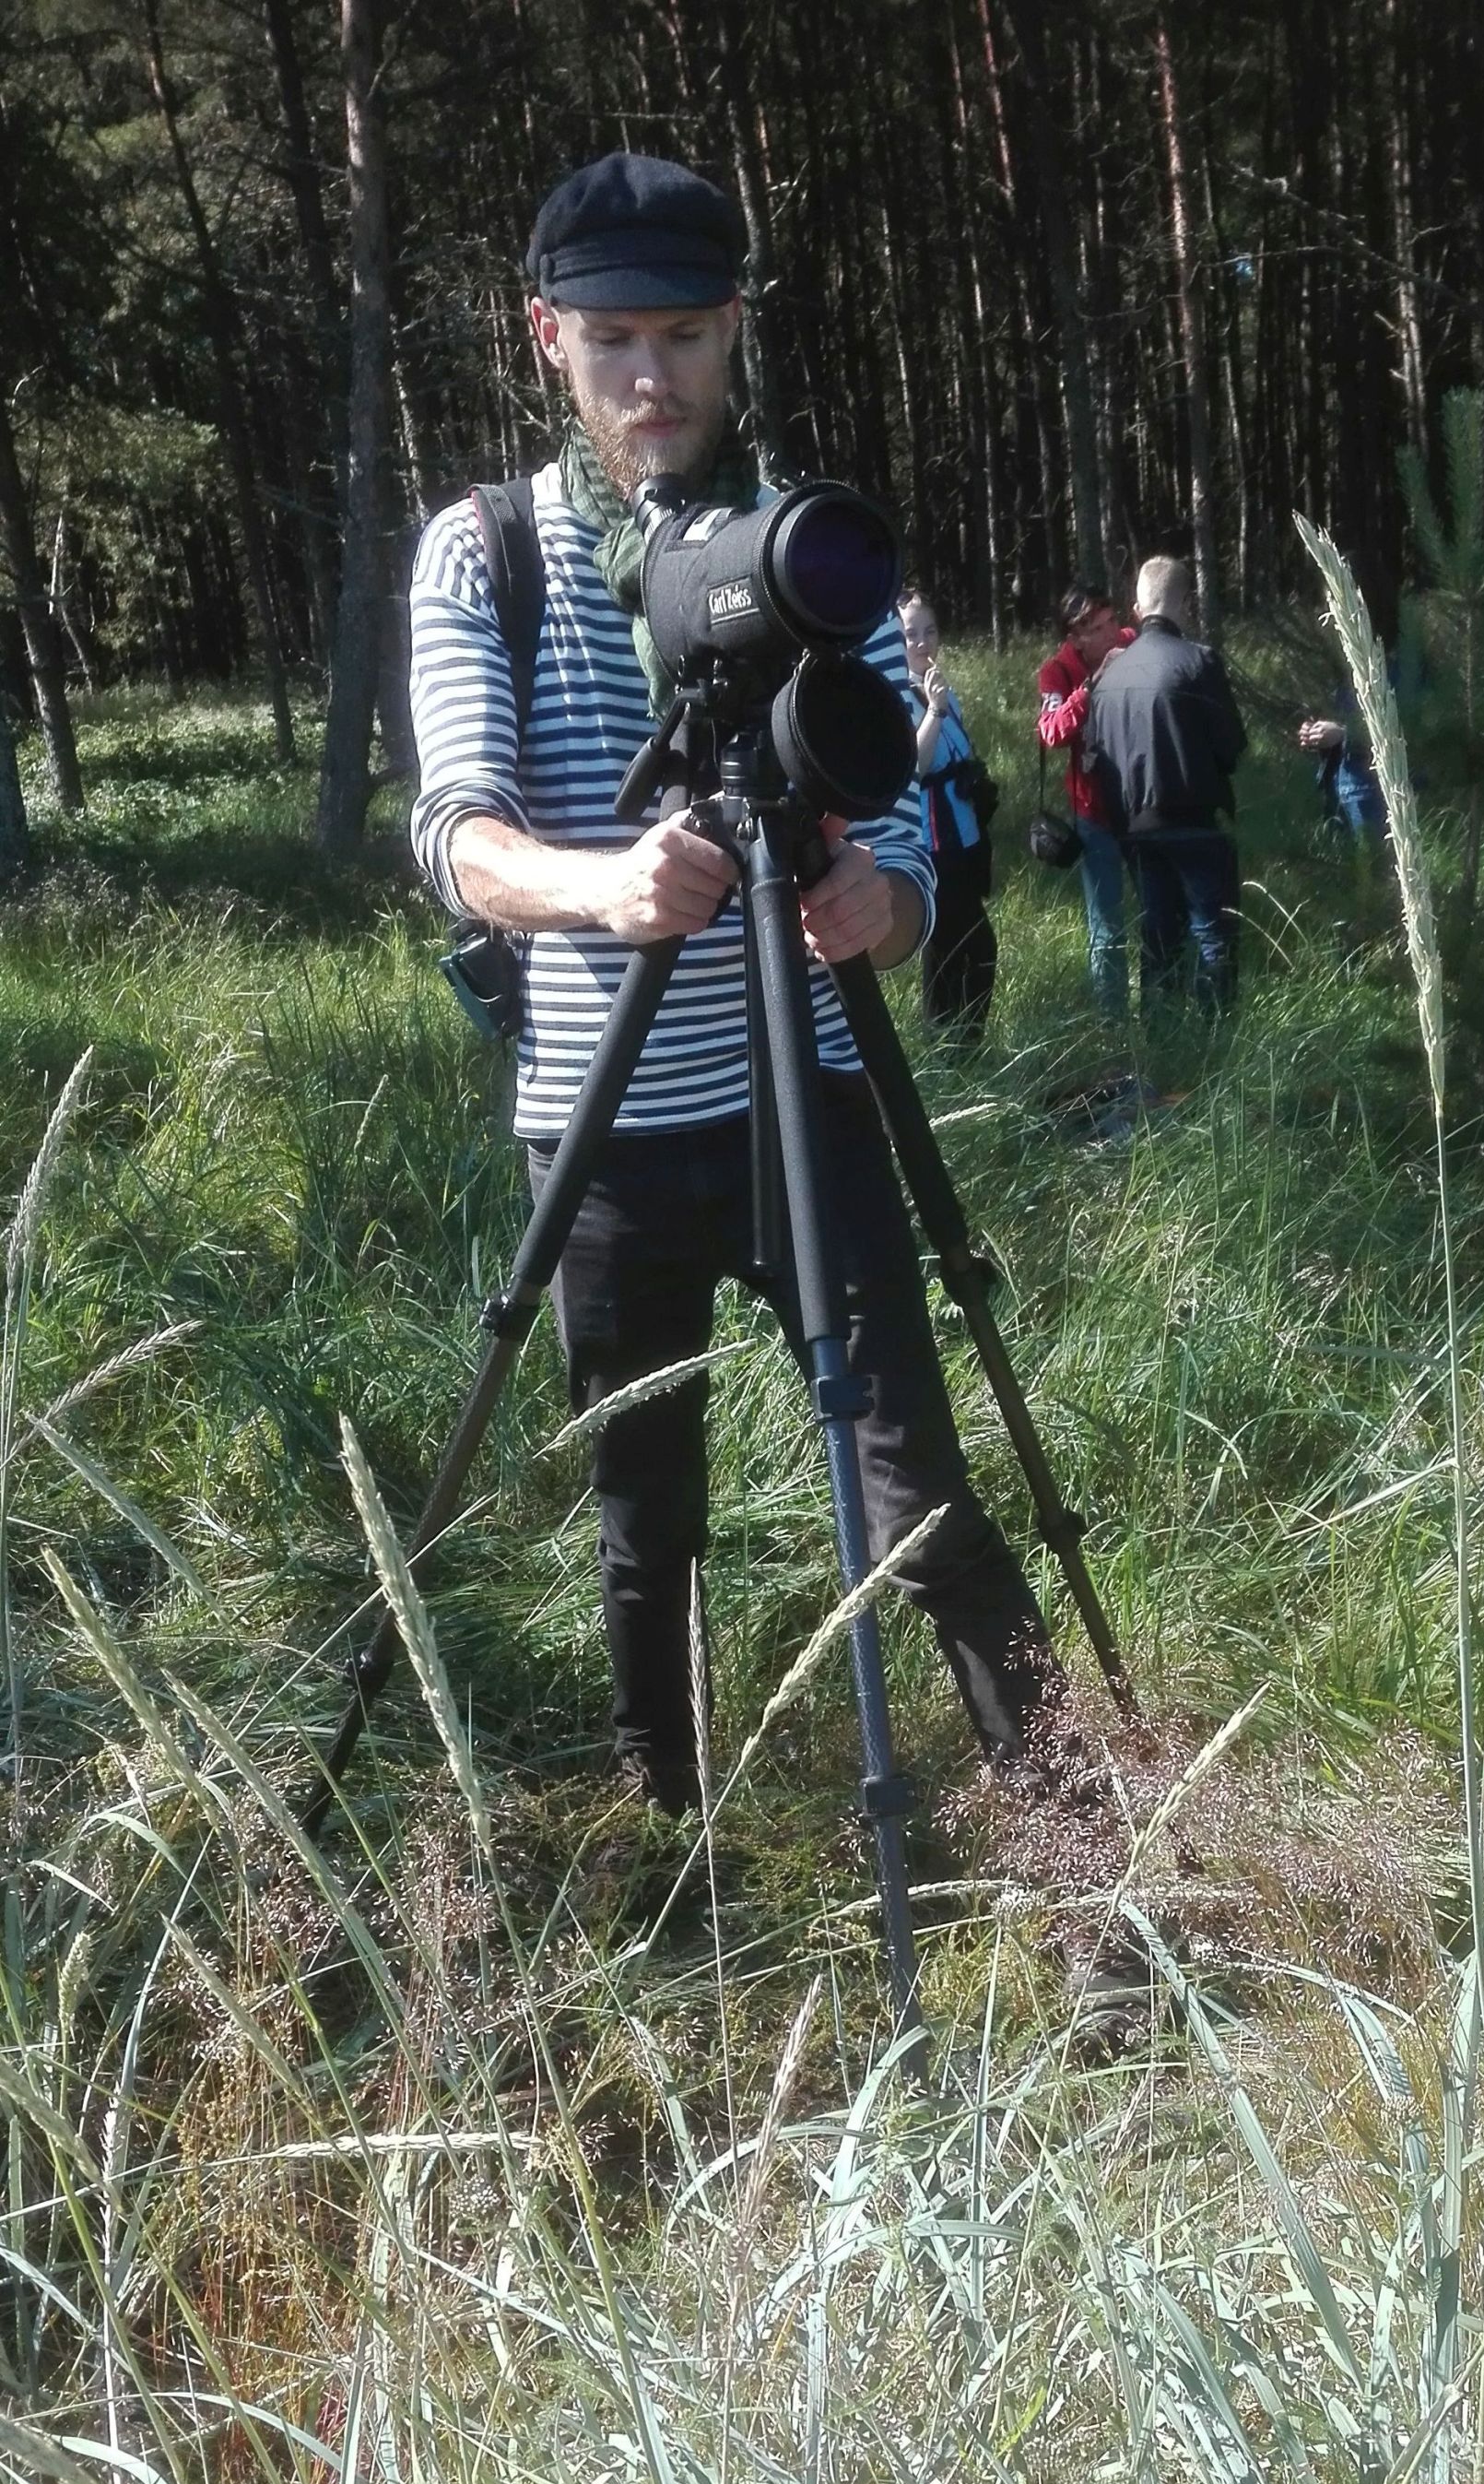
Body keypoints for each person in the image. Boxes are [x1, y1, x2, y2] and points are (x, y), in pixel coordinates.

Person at [407, 150, 1062, 1819]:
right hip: (603, 1133)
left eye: (686, 337)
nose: (651, 378)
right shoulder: (484, 554)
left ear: (734, 331)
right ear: (544, 335)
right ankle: (674, 1852)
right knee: (649, 1521)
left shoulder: (808, 551)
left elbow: (905, 832)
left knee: (921, 1488)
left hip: (806, 1106)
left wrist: (885, 902)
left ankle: (1082, 1839)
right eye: (615, 338)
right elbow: (460, 835)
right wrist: (603, 888)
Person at [1085, 556, 1247, 1017]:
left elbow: (1095, 759)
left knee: (1158, 937)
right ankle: (1216, 1044)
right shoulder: (1199, 661)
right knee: (1213, 936)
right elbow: (1231, 746)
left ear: (1137, 606)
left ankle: (1162, 1040)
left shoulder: (1108, 676)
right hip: (1195, 823)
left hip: (1135, 831)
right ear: (1186, 604)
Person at [899, 591, 996, 1047]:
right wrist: (934, 711)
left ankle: (965, 1045)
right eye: (911, 634)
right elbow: (913, 767)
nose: (922, 642)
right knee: (953, 949)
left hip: (967, 835)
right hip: (934, 842)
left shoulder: (940, 685)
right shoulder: (900, 695)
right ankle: (946, 1047)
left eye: (930, 631)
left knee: (971, 947)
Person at [1037, 583, 1136, 1017]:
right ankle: (1112, 1021)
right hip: (1093, 812)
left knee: (1158, 908)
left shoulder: (1132, 643)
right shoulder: (1057, 671)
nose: (1113, 632)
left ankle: (1161, 1006)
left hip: (1141, 803)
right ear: (1076, 638)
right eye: (1098, 628)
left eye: (1113, 620)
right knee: (1108, 926)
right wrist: (1093, 686)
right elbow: (1051, 730)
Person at [1298, 702, 1384, 840]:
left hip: (1370, 793)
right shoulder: (1338, 685)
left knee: (1375, 856)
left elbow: (1408, 727)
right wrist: (1315, 733)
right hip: (1334, 791)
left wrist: (1343, 734)